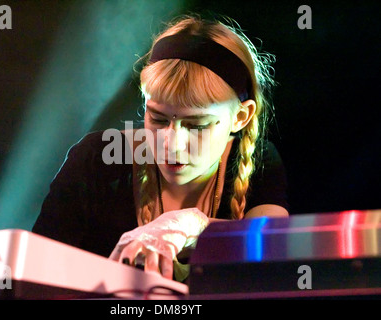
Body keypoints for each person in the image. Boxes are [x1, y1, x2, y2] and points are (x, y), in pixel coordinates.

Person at [32, 15, 289, 282]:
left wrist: (189, 224)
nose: (172, 143)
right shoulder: (97, 156)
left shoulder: (258, 159)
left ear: (240, 117)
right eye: (158, 118)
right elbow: (35, 268)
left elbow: (277, 249)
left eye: (196, 125)